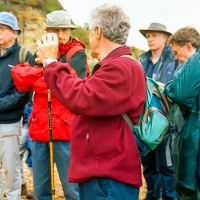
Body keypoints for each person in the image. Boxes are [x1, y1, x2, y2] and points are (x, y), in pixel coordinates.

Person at [35, 4, 146, 200]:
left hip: (108, 178)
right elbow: (84, 90)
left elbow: (82, 98)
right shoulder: (117, 65)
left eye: (90, 31)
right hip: (104, 173)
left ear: (98, 31)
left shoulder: (121, 67)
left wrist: (51, 63)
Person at [12, 10, 88, 200]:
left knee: (72, 189)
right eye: (56, 30)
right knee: (40, 189)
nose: (61, 35)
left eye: (65, 30)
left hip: (66, 129)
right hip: (40, 129)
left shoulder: (77, 53)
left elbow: (72, 84)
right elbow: (20, 80)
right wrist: (50, 75)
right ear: (47, 30)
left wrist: (43, 71)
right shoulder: (39, 51)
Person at [139, 22, 180, 200]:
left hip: (167, 123)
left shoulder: (175, 59)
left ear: (165, 38)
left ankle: (170, 197)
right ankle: (152, 196)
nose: (150, 39)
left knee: (167, 167)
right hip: (147, 123)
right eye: (148, 35)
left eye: (154, 35)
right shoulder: (142, 59)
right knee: (148, 166)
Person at [164, 27, 200, 200]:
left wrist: (168, 89)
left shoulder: (196, 63)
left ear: (189, 46)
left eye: (177, 53)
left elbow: (178, 93)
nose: (176, 58)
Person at [0, 12, 31, 200]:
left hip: (10, 123)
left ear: (14, 32)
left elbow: (23, 94)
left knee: (12, 170)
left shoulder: (23, 55)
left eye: (2, 29)